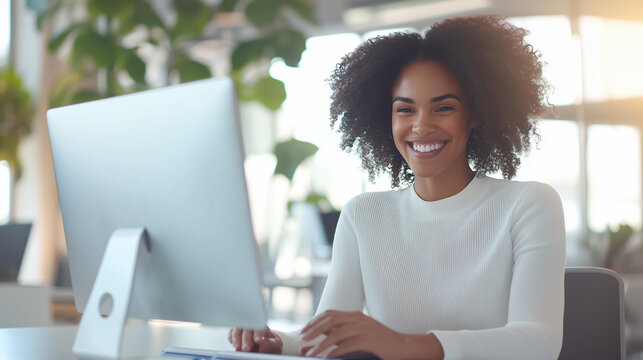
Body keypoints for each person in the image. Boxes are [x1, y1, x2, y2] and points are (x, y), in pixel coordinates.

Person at [228, 14, 565, 360]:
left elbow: (538, 343)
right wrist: (279, 342)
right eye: (405, 109)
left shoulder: (528, 205)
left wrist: (403, 345)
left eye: (444, 107)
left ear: (475, 113)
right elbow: (326, 335)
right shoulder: (363, 215)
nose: (422, 126)